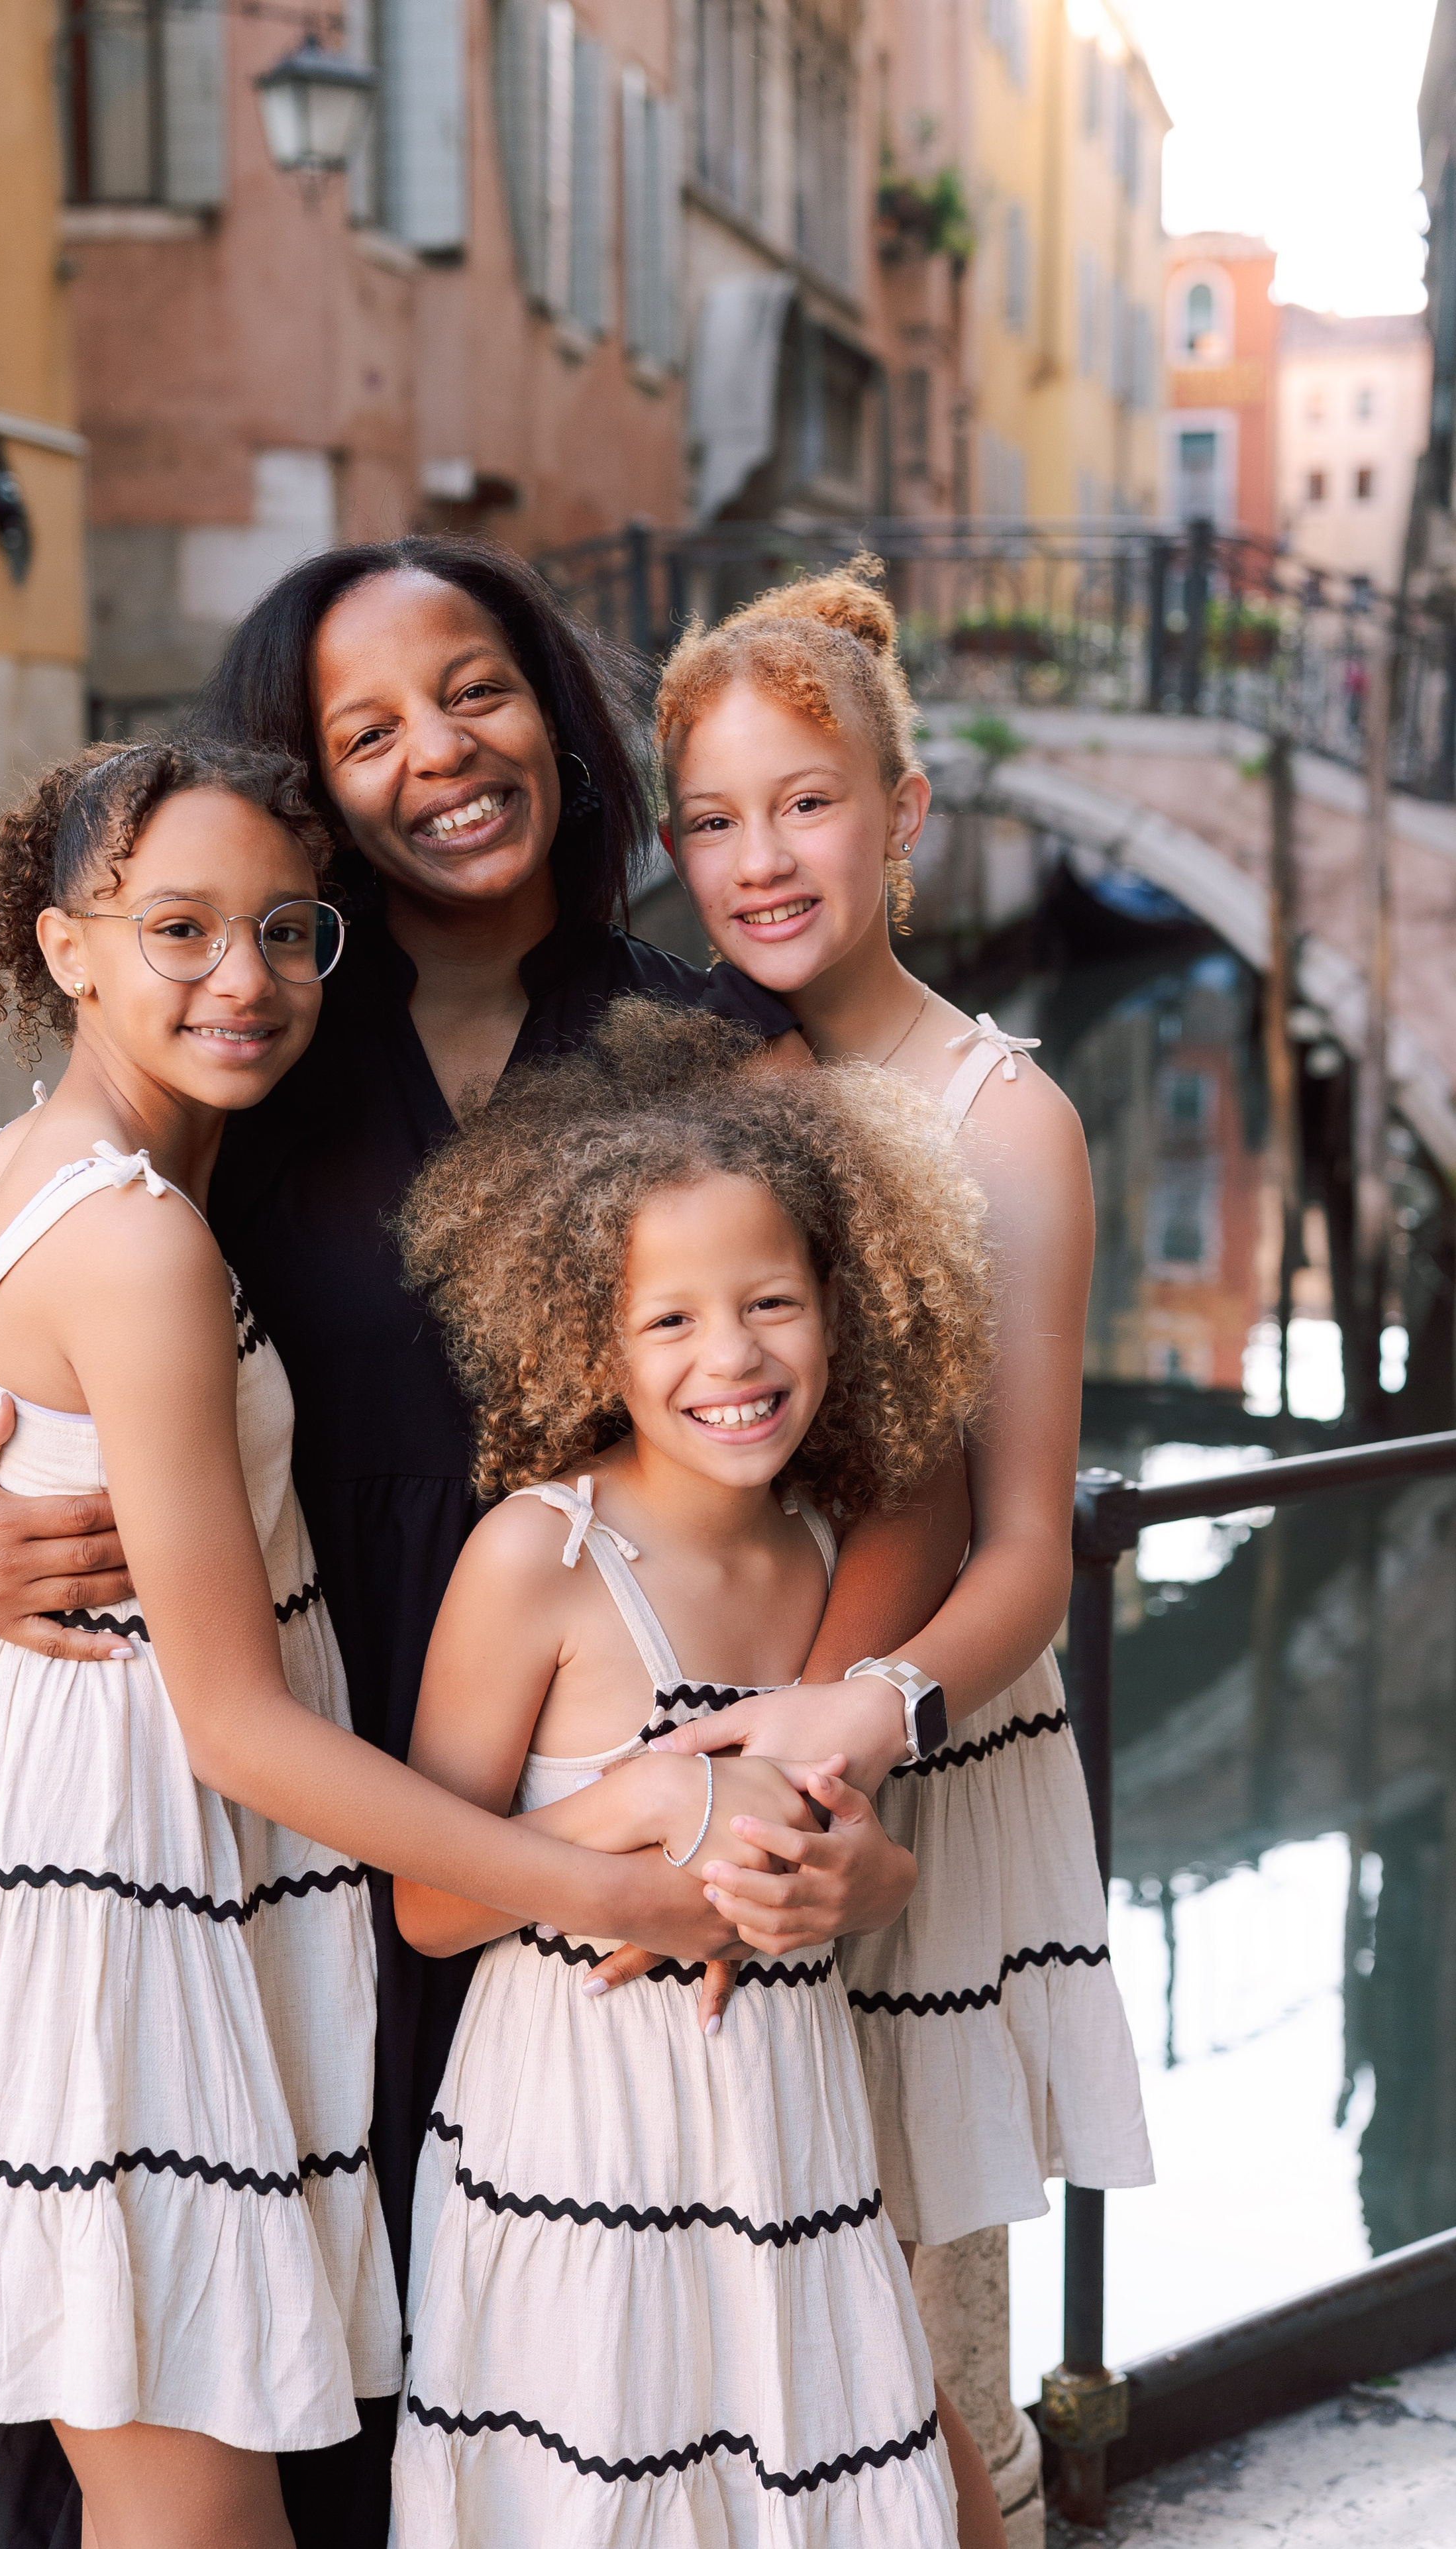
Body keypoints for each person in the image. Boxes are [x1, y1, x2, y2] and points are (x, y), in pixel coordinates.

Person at [0, 543, 931, 2546]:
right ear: (307, 783)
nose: (436, 753)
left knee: (571, 2385)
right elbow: (2, 1390)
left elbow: (899, 1470)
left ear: (554, 711)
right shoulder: (243, 1043)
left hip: (585, 1802)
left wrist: (796, 1765)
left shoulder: (714, 1047)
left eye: (475, 690)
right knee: (216, 2375)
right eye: (364, 729)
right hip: (262, 1812)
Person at [388, 999, 992, 2544]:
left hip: (787, 2123)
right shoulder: (539, 1558)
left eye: (770, 1303)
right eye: (668, 1321)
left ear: (838, 1310)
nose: (730, 1356)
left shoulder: (832, 1561)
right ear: (590, 1339)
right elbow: (429, 1904)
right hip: (573, 2134)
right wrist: (642, 1802)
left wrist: (869, 1881)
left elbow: (857, 1857)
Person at [650, 561, 1153, 2335]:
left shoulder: (1001, 1122)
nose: (761, 861)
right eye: (714, 820)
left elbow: (1023, 1546)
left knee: (918, 2339)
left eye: (806, 805)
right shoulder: (677, 1086)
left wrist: (860, 1719)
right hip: (709, 1747)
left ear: (903, 813)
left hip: (915, 1746)